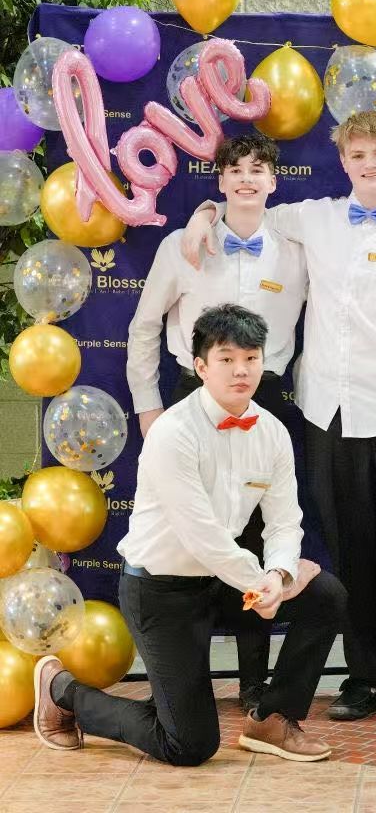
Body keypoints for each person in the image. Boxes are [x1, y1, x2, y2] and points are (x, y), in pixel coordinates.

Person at [182, 110, 376, 731]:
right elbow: (248, 208)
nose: (370, 163)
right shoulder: (315, 217)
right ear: (343, 161)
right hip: (328, 417)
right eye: (358, 154)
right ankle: (366, 679)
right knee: (351, 556)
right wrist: (204, 214)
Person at [34, 305, 346, 764]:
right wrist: (264, 583)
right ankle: (63, 692)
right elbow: (200, 534)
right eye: (226, 359)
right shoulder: (174, 432)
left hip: (222, 584)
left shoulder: (273, 432)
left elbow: (284, 522)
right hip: (161, 589)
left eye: (251, 358)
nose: (241, 370)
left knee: (325, 594)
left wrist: (278, 575)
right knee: (188, 745)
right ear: (200, 367)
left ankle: (272, 718)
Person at [127, 133, 307, 711]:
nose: (247, 179)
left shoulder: (297, 248)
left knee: (258, 535)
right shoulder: (184, 244)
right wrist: (149, 410)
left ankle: (256, 683)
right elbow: (143, 328)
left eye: (259, 169)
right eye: (235, 170)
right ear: (219, 180)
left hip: (268, 397)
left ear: (274, 181)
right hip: (193, 394)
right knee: (194, 532)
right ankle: (187, 683)